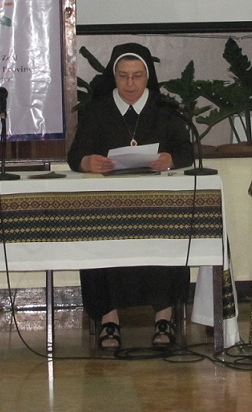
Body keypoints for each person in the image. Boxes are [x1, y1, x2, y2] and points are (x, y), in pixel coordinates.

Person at [67, 42, 194, 350]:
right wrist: (87, 162)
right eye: (123, 76)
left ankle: (164, 318)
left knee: (168, 238)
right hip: (106, 207)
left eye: (137, 76)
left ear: (147, 76)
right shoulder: (96, 110)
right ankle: (109, 320)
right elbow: (75, 156)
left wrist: (170, 159)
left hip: (157, 205)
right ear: (114, 76)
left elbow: (186, 151)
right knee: (97, 240)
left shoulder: (165, 109)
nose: (130, 83)